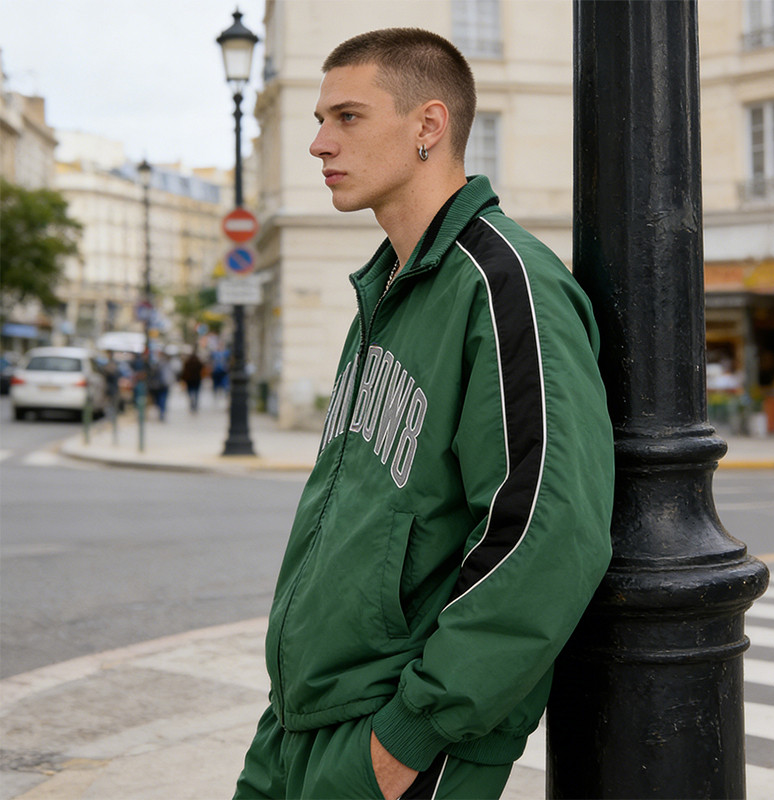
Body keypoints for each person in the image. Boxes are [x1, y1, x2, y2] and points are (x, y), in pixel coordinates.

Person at [234, 28, 614, 800]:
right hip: (301, 718)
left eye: (347, 117)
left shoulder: (507, 285)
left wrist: (412, 733)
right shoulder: (385, 287)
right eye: (320, 120)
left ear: (428, 126)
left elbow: (546, 533)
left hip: (403, 733)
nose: (318, 143)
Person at [180, 346, 205, 413]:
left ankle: (192, 404)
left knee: (190, 392)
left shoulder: (187, 362)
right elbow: (202, 369)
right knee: (196, 393)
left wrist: (183, 379)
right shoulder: (198, 362)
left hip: (190, 380)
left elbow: (184, 371)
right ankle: (195, 405)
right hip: (197, 379)